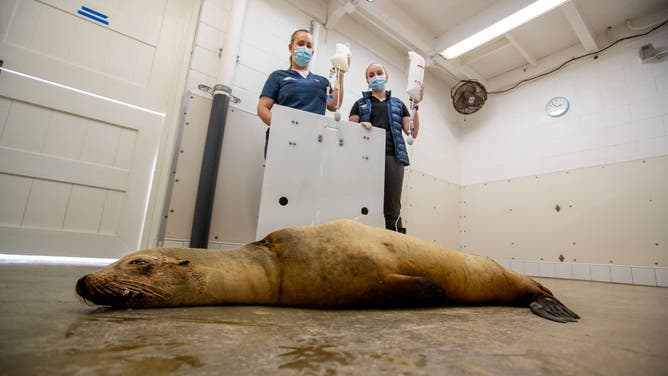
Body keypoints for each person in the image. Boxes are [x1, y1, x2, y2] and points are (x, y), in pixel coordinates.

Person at [349, 63, 423, 233]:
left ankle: (396, 246)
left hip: (393, 157)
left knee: (392, 207)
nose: (376, 76)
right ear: (367, 80)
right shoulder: (360, 104)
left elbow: (412, 132)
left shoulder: (398, 104)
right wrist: (360, 127)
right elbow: (350, 132)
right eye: (371, 74)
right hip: (366, 157)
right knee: (365, 203)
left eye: (379, 73)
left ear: (386, 76)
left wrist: (415, 106)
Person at [257, 29, 347, 158]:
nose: (305, 48)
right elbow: (262, 108)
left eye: (309, 46)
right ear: (291, 47)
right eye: (301, 43)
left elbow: (333, 104)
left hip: (313, 141)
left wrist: (341, 75)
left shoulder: (322, 82)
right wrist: (282, 126)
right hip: (282, 139)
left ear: (312, 52)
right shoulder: (278, 76)